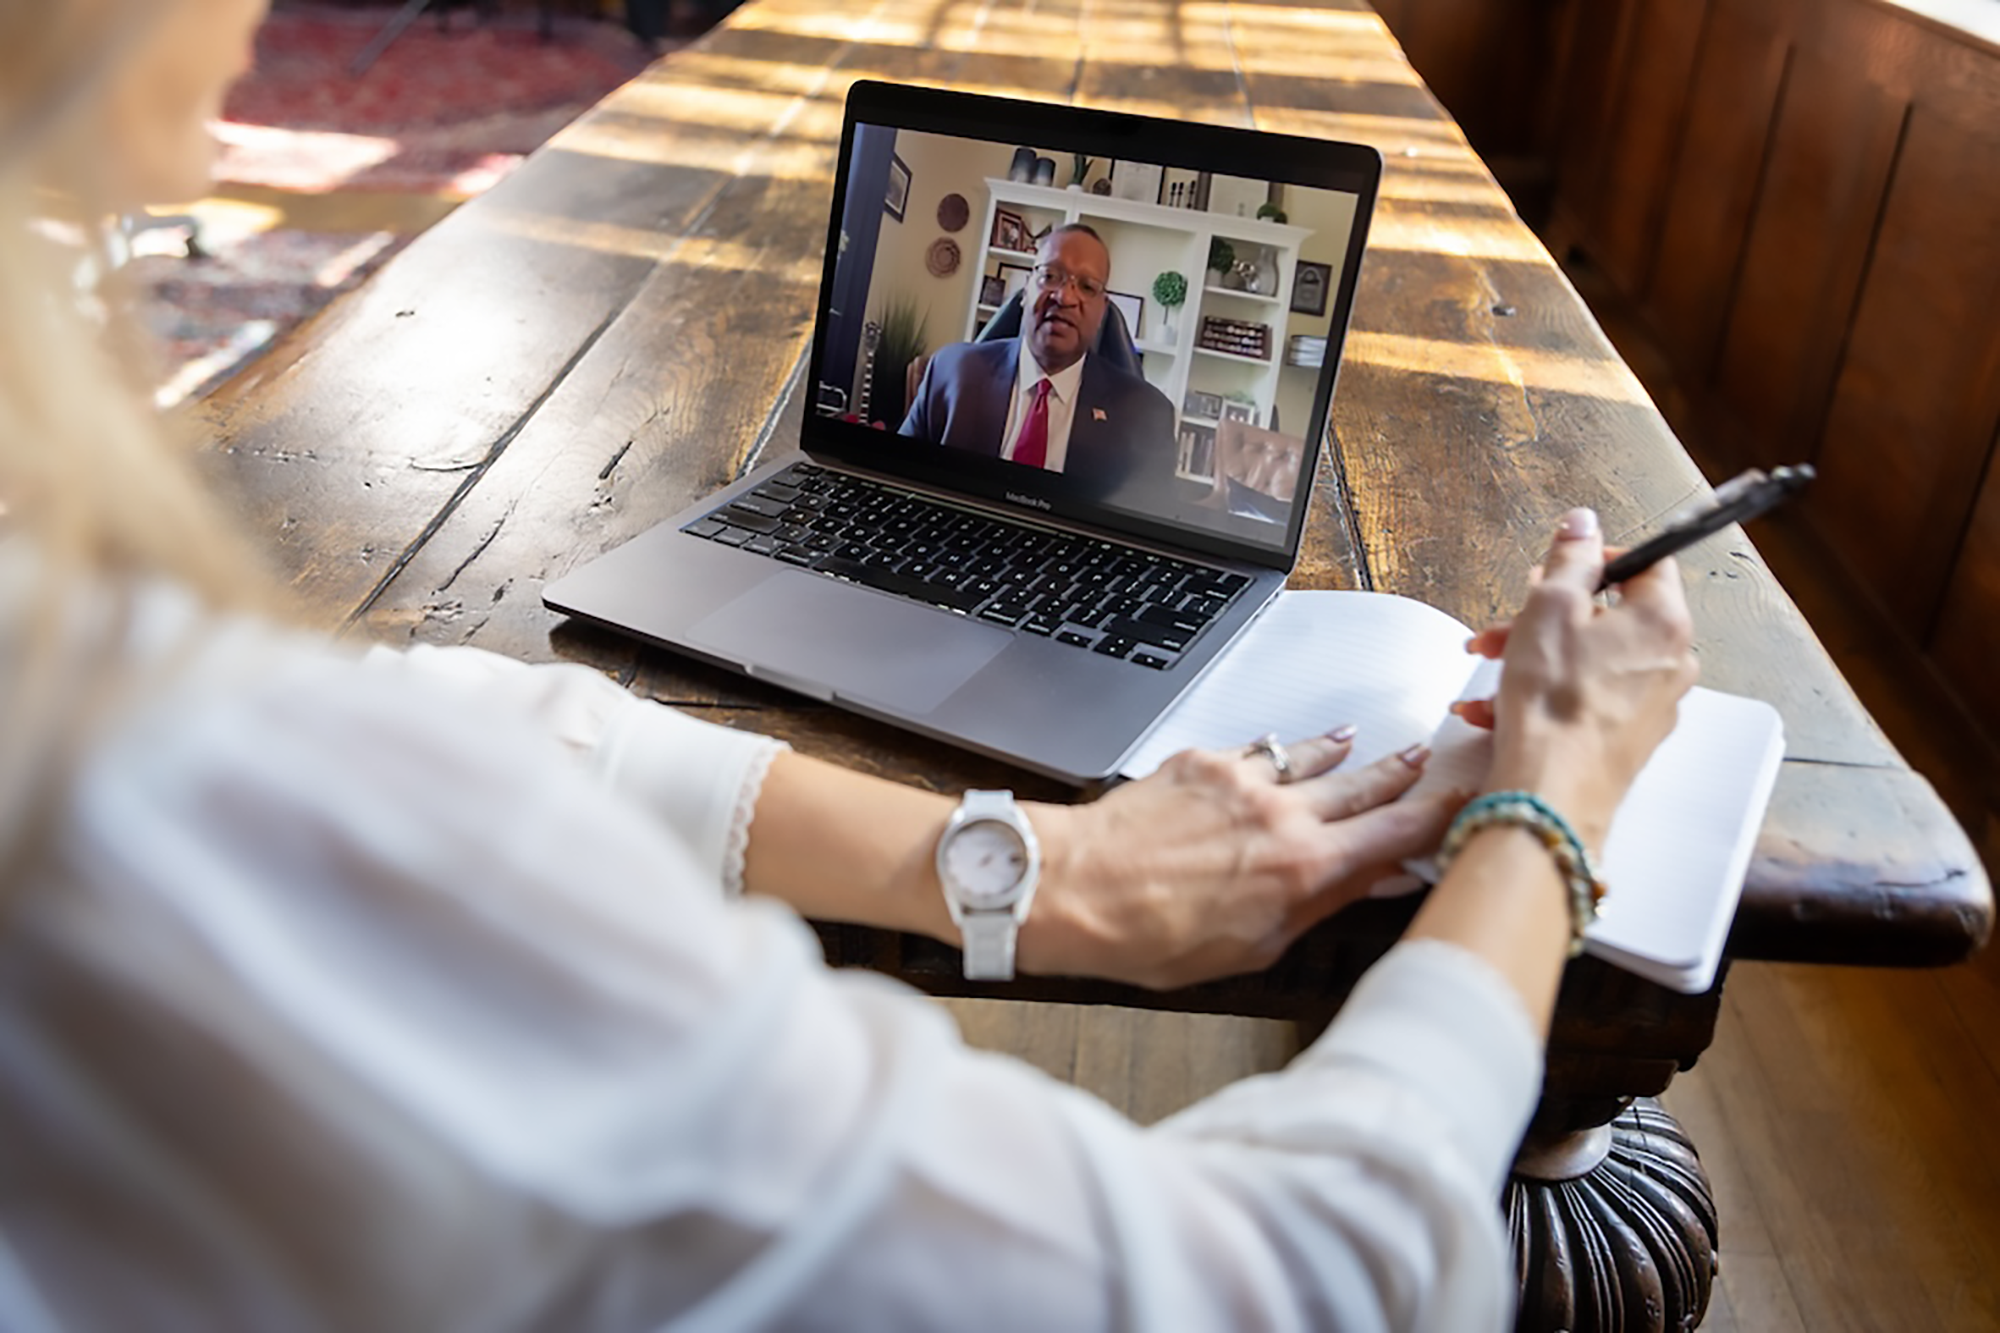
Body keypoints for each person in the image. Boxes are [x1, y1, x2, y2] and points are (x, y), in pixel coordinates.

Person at [0, 1, 1699, 1328]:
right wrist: (1548, 804)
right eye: (1048, 268)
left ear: (1109, 307)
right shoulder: (171, 788)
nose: (1058, 294)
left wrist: (1028, 863)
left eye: (1088, 281)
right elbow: (1288, 1286)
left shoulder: (121, 684)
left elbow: (441, 712)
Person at [899, 224, 1180, 509]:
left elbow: (1143, 531)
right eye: (1049, 276)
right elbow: (898, 480)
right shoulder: (950, 372)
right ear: (1025, 292)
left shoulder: (1148, 415)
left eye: (1086, 286)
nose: (1065, 297)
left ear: (1102, 312)